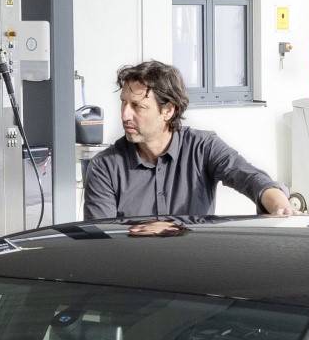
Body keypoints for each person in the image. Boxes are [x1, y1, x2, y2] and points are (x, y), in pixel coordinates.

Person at [83, 59, 293, 230]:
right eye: (123, 103)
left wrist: (278, 203)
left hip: (195, 266)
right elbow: (102, 241)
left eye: (137, 106)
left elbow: (248, 176)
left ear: (168, 110)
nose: (125, 115)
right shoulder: (104, 167)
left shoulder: (203, 147)